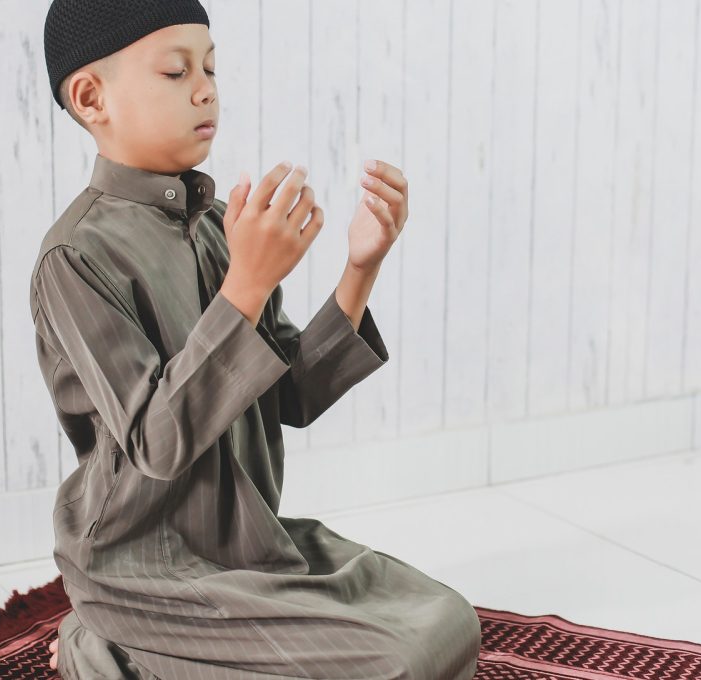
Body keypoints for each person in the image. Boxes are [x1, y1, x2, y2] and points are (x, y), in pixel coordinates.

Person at [34, 1, 482, 677]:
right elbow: (157, 444)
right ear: (92, 97)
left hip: (246, 546)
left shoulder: (223, 224)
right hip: (145, 567)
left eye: (211, 68)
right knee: (392, 663)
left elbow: (292, 396)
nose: (207, 88)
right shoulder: (75, 258)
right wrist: (245, 283)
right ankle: (100, 645)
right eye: (177, 71)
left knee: (447, 625)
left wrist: (360, 267)